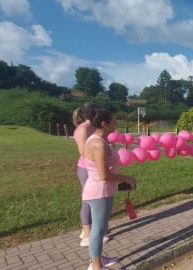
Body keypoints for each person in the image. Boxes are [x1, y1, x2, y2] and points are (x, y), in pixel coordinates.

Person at [83, 109, 136, 270]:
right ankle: (97, 266)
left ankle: (98, 260)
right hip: (100, 192)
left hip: (101, 190)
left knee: (100, 228)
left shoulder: (101, 141)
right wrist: (126, 178)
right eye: (113, 121)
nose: (116, 123)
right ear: (104, 124)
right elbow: (104, 175)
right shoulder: (98, 144)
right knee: (98, 230)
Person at [73, 103, 109, 247]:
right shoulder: (83, 129)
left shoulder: (92, 128)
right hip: (86, 168)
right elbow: (84, 152)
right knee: (88, 200)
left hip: (94, 167)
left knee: (93, 200)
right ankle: (87, 234)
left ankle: (91, 229)